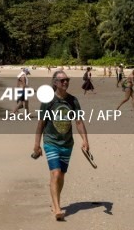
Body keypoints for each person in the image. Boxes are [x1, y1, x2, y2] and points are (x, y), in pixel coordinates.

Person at [33, 70, 90, 221]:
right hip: (51, 142)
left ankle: (55, 200)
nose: (66, 82)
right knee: (56, 173)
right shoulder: (48, 101)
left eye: (67, 80)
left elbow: (78, 121)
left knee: (61, 175)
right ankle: (57, 208)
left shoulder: (73, 100)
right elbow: (41, 123)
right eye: (63, 80)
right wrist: (36, 145)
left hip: (67, 143)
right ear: (55, 83)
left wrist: (85, 140)